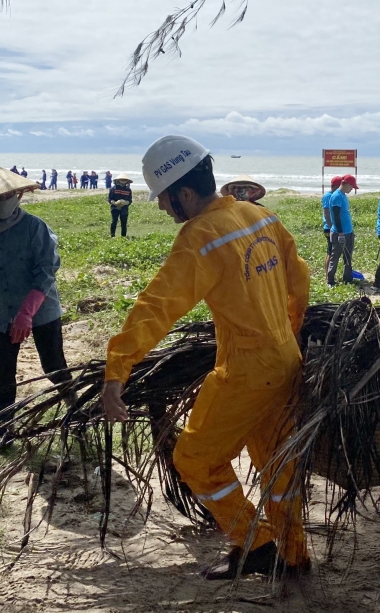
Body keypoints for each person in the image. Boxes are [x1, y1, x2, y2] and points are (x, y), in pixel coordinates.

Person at [101, 135, 311, 580]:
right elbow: (299, 278)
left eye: (164, 199)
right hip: (286, 359)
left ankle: (256, 543)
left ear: (186, 194)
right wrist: (287, 330)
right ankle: (292, 555)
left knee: (195, 460)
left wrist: (117, 368)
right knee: (278, 465)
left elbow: (157, 305)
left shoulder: (201, 237)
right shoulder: (259, 214)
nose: (162, 208)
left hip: (247, 370)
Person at [0, 163, 73, 459]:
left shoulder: (35, 228)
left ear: (17, 196)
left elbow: (46, 272)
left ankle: (78, 413)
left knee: (54, 366)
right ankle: (2, 435)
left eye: (5, 196)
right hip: (0, 313)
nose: (1, 203)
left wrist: (26, 314)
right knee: (3, 375)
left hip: (42, 311)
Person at [327, 174, 356, 286]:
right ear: (346, 184)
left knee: (348, 256)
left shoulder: (344, 195)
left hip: (349, 231)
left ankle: (348, 279)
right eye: (352, 186)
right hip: (340, 232)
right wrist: (340, 233)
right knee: (335, 256)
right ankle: (330, 280)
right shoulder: (336, 196)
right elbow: (336, 215)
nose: (352, 189)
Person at [321, 176, 343, 281]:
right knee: (330, 251)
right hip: (328, 228)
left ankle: (329, 274)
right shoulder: (328, 196)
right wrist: (332, 227)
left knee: (334, 251)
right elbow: (326, 213)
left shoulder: (337, 195)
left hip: (334, 228)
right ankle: (327, 275)